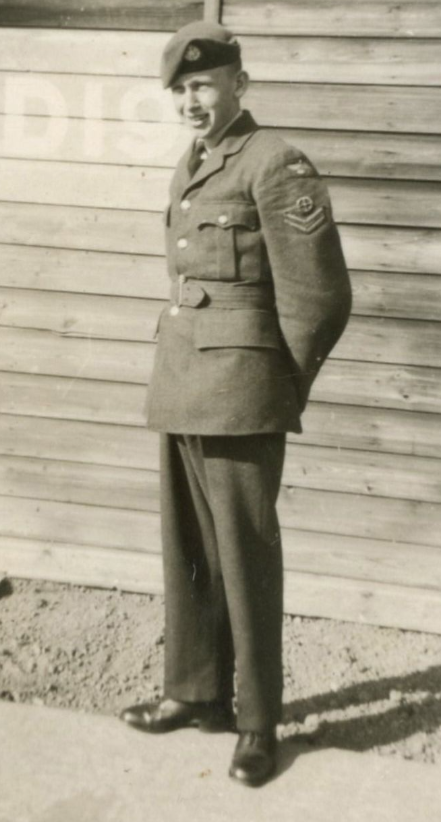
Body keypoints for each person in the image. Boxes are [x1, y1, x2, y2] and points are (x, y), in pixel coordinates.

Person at [120, 20, 352, 787]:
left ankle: (257, 722)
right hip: (182, 380)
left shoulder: (275, 163)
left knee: (245, 558)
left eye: (204, 84)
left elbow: (318, 296)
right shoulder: (193, 163)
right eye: (180, 89)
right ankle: (195, 692)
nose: (191, 100)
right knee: (187, 550)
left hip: (242, 392)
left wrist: (277, 384)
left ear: (238, 84)